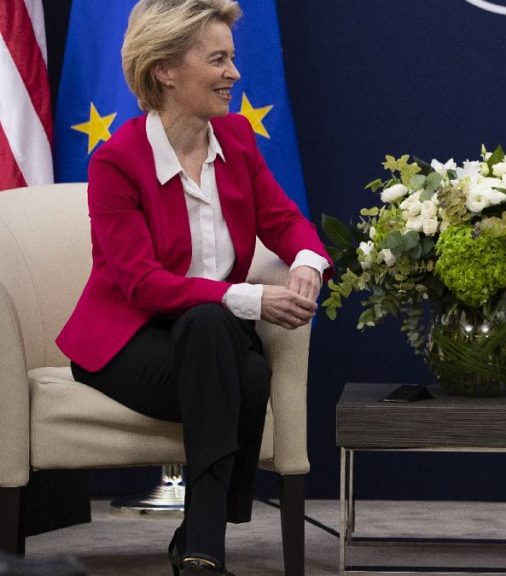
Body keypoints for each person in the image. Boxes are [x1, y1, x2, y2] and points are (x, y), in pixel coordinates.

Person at [55, 1, 330, 574]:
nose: (234, 73)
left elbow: (283, 219)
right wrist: (253, 298)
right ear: (165, 70)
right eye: (218, 59)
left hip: (209, 338)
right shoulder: (116, 162)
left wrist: (307, 261)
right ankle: (208, 535)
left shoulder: (236, 138)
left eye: (232, 58)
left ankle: (200, 545)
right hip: (128, 342)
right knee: (240, 364)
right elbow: (142, 284)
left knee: (221, 340)